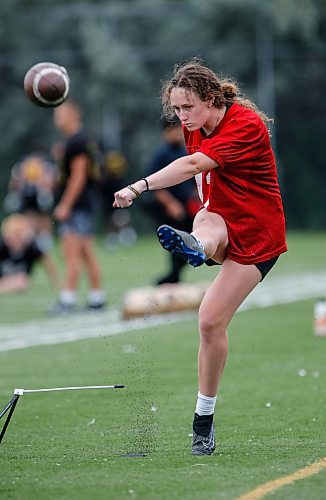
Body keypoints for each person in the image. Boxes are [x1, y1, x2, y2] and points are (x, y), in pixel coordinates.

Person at [113, 59, 287, 456]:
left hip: (259, 233)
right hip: (221, 220)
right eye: (175, 109)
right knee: (207, 221)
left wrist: (139, 186)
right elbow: (198, 176)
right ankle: (196, 245)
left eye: (187, 107)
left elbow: (193, 165)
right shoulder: (197, 126)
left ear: (210, 99)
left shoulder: (243, 124)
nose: (181, 116)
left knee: (209, 320)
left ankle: (202, 421)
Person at [52, 101, 106, 313]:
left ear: (74, 116)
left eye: (61, 115)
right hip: (85, 203)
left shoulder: (77, 141)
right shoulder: (75, 142)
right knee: (85, 252)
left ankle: (68, 299)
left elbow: (79, 175)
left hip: (78, 205)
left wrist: (65, 204)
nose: (58, 119)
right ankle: (97, 297)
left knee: (71, 252)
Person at [142, 117, 200, 285]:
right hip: (170, 208)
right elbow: (154, 183)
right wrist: (171, 204)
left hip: (186, 206)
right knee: (177, 242)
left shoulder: (184, 151)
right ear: (165, 133)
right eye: (171, 130)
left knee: (190, 241)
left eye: (178, 129)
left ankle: (174, 275)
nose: (176, 133)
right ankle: (174, 276)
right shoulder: (162, 154)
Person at [4, 152, 57, 252]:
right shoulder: (20, 170)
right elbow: (13, 187)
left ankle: (43, 243)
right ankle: (30, 241)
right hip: (27, 201)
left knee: (43, 215)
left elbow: (51, 186)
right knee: (28, 219)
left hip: (40, 202)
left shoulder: (46, 169)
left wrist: (41, 181)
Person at [0, 214, 58, 294]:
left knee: (22, 280)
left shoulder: (30, 248)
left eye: (18, 234)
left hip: (20, 280)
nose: (15, 238)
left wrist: (55, 282)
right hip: (4, 278)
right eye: (12, 234)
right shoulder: (2, 247)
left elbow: (47, 262)